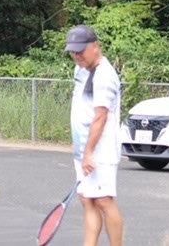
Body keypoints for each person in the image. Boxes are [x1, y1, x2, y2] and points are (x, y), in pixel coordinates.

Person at [65, 24, 124, 246]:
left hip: (101, 151)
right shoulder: (80, 70)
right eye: (73, 52)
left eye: (81, 50)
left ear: (96, 46)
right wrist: (82, 150)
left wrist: (89, 152)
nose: (77, 56)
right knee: (87, 200)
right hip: (83, 149)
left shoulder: (105, 75)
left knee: (104, 200)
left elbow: (101, 117)